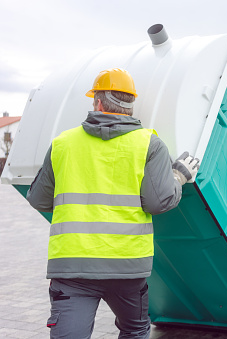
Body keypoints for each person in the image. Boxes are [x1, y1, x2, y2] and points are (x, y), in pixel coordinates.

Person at [26, 68, 199, 339]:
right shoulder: (149, 144)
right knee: (134, 330)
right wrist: (178, 176)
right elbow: (159, 202)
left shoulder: (62, 144)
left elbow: (38, 198)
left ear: (97, 102)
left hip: (72, 268)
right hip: (126, 267)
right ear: (130, 106)